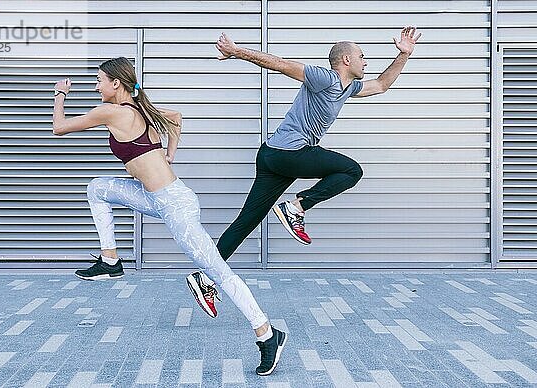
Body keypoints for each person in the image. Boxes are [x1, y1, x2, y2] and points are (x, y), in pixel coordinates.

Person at [51, 57, 286, 376]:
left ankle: (268, 335)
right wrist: (170, 154)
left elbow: (59, 128)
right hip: (154, 197)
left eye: (99, 80)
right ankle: (110, 260)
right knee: (98, 187)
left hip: (175, 205)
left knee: (217, 271)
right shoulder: (140, 110)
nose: (96, 86)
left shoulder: (113, 111)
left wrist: (60, 93)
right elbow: (175, 118)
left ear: (115, 84)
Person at [187, 27, 422, 316]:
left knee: (246, 221)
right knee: (351, 170)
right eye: (362, 56)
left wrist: (403, 54)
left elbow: (383, 85)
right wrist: (238, 51)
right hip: (289, 153)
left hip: (273, 156)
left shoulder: (349, 87)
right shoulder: (326, 78)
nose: (366, 61)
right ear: (346, 59)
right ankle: (296, 208)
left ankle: (205, 277)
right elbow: (282, 65)